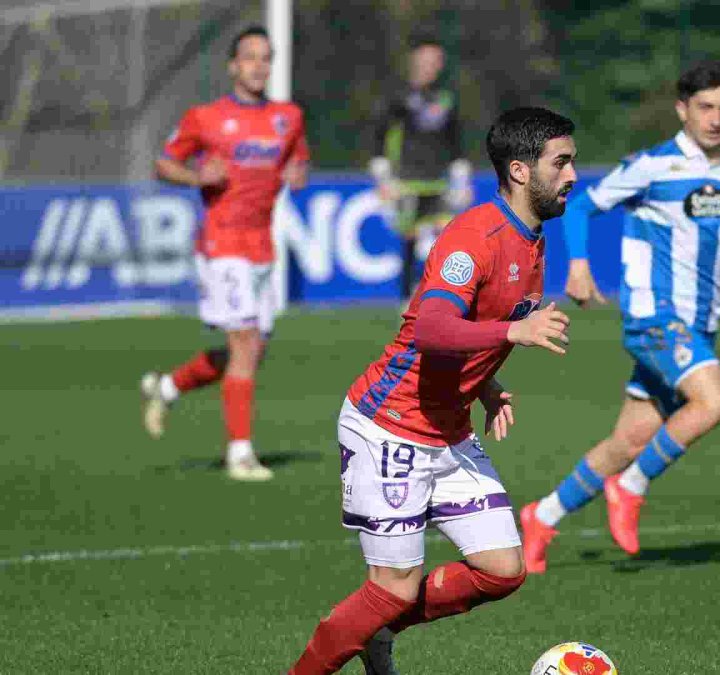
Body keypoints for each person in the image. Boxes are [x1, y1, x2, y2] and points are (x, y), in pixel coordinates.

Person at [289, 107, 577, 675]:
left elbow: (476, 326)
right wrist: (513, 333)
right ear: (520, 171)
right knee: (393, 586)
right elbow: (431, 328)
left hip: (448, 429)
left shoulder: (532, 239)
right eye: (561, 163)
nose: (572, 175)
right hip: (390, 425)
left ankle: (375, 630)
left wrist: (485, 384)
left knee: (502, 569)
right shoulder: (473, 237)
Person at [519, 61, 720, 574]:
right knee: (715, 398)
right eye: (705, 107)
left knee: (631, 440)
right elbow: (579, 207)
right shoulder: (653, 166)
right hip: (654, 316)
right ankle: (632, 486)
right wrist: (577, 265)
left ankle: (541, 517)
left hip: (700, 325)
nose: (715, 119)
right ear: (682, 110)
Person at [140, 25, 308, 481]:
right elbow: (163, 163)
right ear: (233, 66)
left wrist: (298, 174)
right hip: (222, 243)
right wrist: (197, 178)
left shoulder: (288, 117)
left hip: (262, 246)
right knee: (245, 343)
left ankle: (168, 387)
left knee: (249, 353)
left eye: (265, 57)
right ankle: (240, 455)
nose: (259, 65)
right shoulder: (205, 117)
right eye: (250, 56)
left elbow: (298, 160)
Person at [368, 35, 473, 301]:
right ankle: (408, 304)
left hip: (439, 183)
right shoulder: (398, 97)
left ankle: (442, 301)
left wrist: (462, 180)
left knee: (444, 243)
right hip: (406, 183)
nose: (431, 66)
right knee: (411, 242)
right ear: (414, 60)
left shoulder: (446, 99)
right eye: (426, 59)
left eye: (436, 60)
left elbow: (456, 143)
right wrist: (383, 179)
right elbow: (380, 138)